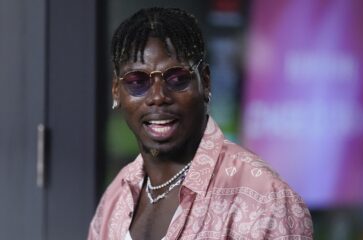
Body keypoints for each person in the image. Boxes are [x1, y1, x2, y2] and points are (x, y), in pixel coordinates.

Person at [88, 7, 313, 240]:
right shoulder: (116, 196)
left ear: (205, 82)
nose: (158, 96)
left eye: (177, 79)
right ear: (117, 90)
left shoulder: (266, 201)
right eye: (137, 81)